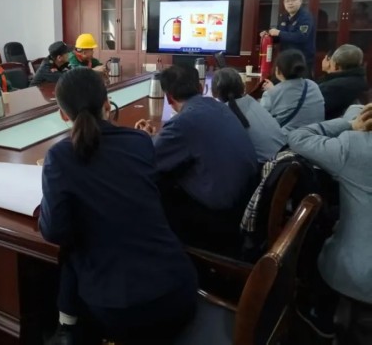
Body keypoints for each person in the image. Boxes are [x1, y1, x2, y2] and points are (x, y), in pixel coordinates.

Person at [40, 68, 197, 344]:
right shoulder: (140, 141)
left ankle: (66, 328)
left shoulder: (59, 156)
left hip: (122, 311)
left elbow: (55, 232)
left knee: (77, 245)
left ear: (63, 114)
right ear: (107, 104)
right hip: (180, 291)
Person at [135, 65, 258, 253]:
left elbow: (147, 158)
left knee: (151, 185)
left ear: (168, 98)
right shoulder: (219, 106)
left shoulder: (182, 123)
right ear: (201, 88)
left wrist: (144, 138)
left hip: (221, 219)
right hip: (245, 203)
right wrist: (157, 137)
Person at [288, 104, 372, 343]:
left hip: (355, 277)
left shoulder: (356, 147)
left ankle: (320, 320)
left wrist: (350, 124)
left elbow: (298, 138)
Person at [212, 68, 285, 163]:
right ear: (243, 86)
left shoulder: (223, 112)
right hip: (284, 157)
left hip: (268, 166)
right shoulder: (250, 100)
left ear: (215, 92)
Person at [261, 49, 325, 133]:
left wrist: (273, 92)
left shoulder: (271, 94)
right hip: (315, 135)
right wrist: (274, 90)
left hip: (288, 139)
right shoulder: (313, 85)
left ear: (278, 70)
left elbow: (260, 121)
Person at [260, 0, 316, 76]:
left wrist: (279, 33)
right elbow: (280, 37)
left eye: (293, 0)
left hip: (301, 61)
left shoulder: (305, 17)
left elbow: (301, 37)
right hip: (286, 59)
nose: (290, 3)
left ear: (300, 1)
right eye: (287, 1)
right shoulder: (284, 17)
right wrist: (268, 35)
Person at [317, 44, 368, 120]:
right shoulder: (360, 80)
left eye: (330, 62)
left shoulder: (333, 87)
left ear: (336, 66)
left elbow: (313, 108)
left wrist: (328, 73)